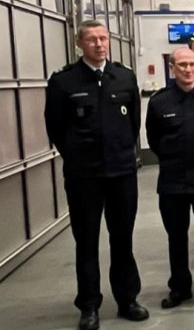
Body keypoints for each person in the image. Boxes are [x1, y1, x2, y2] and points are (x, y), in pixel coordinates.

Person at [44, 19, 148, 330]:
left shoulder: (124, 77)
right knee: (86, 242)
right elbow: (56, 128)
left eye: (103, 38)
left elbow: (132, 127)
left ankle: (127, 299)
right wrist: (78, 157)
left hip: (121, 174)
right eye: (92, 40)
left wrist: (121, 156)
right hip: (84, 177)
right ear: (79, 43)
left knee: (122, 239)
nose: (99, 44)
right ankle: (89, 305)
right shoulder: (64, 82)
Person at [145, 48, 194, 308]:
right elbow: (154, 139)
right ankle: (180, 288)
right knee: (176, 237)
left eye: (192, 64)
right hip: (172, 181)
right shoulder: (159, 102)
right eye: (182, 65)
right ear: (172, 67)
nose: (188, 70)